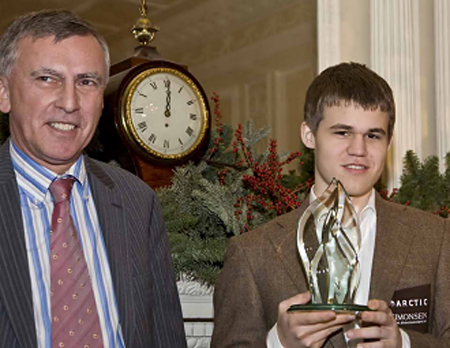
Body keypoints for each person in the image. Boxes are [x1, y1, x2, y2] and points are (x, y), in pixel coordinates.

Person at [211, 62, 450, 347]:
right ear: (309, 135)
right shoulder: (252, 254)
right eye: (342, 132)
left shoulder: (435, 239)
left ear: (388, 142)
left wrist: (405, 343)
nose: (359, 150)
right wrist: (278, 343)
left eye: (373, 135)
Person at [0, 10, 186, 348]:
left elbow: (165, 337)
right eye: (46, 78)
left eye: (86, 82)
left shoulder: (136, 201)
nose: (70, 103)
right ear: (3, 93)